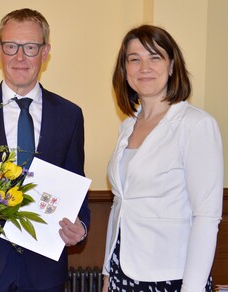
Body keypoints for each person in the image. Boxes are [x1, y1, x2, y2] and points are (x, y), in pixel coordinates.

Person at [0, 8, 90, 292]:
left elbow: (75, 179)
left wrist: (82, 226)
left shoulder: (69, 114)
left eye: (30, 47)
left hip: (45, 268)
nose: (20, 57)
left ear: (45, 52)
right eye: (11, 46)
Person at [102, 24, 223, 291]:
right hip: (122, 273)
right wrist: (107, 273)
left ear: (171, 66)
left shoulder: (195, 125)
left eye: (154, 57)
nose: (144, 67)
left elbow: (206, 216)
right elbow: (119, 205)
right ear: (125, 71)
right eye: (134, 59)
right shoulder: (127, 127)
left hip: (171, 276)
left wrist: (191, 288)